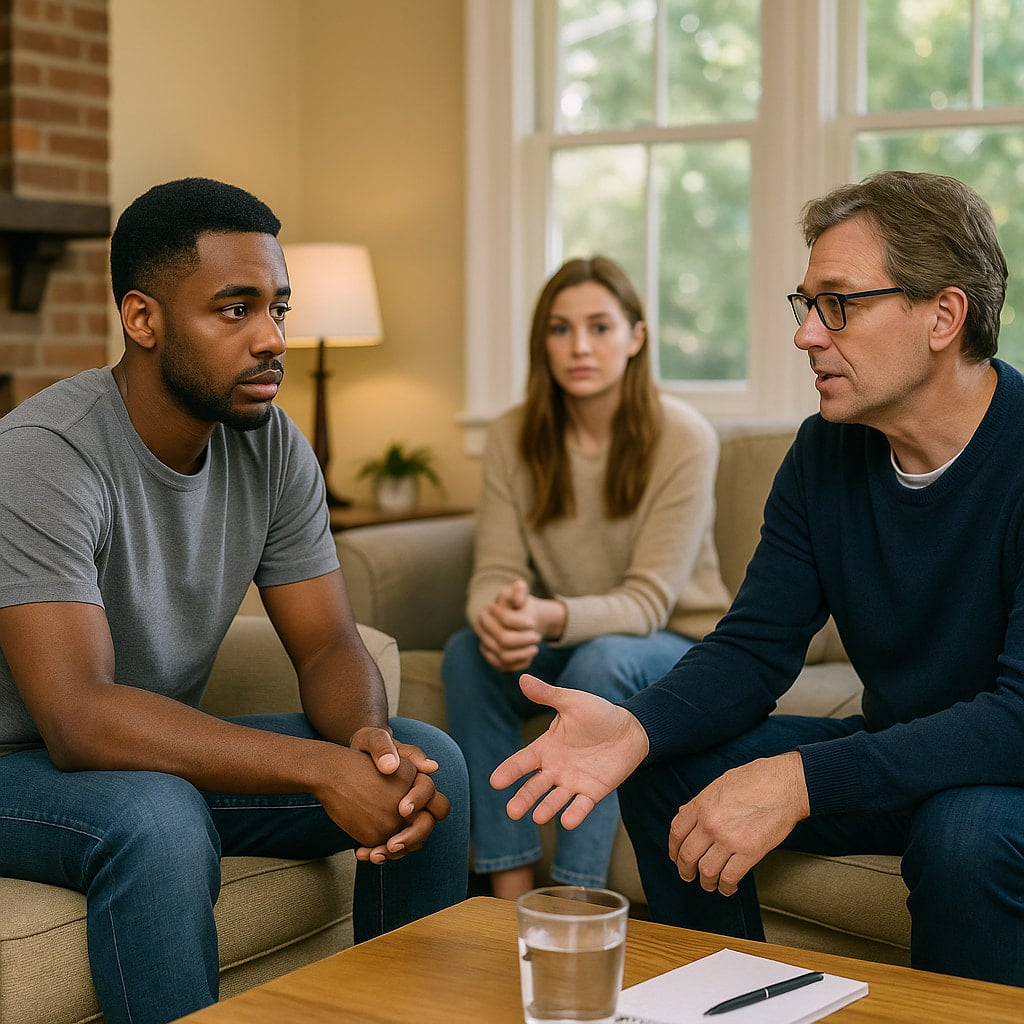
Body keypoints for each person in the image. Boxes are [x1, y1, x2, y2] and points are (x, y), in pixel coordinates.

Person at [491, 170, 1024, 987]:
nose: (808, 334)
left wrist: (803, 780)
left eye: (838, 304)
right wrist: (634, 728)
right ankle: (732, 1004)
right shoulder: (825, 453)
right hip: (902, 752)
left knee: (964, 830)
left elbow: (1015, 720)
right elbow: (752, 648)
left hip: (1006, 768)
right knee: (667, 765)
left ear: (943, 317)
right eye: (805, 304)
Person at [0, 177, 469, 1024]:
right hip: (17, 764)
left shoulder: (273, 445)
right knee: (156, 816)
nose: (272, 339)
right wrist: (320, 768)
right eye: (234, 310)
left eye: (278, 308)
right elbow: (78, 717)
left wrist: (366, 741)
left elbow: (327, 643)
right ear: (142, 320)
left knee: (430, 763)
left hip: (136, 758)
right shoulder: (44, 456)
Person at [442, 255, 731, 900]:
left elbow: (650, 602)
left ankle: (577, 903)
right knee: (467, 656)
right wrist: (502, 617)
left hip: (674, 643)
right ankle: (508, 894)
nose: (578, 346)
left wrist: (548, 616)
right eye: (560, 329)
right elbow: (493, 572)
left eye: (600, 327)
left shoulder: (684, 437)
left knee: (600, 665)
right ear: (541, 342)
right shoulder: (513, 435)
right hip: (569, 632)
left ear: (636, 337)